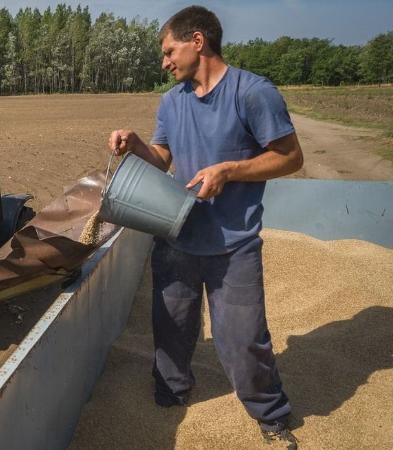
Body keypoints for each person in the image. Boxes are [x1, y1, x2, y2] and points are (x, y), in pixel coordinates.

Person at [107, 5, 303, 449]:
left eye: (168, 51)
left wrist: (229, 171)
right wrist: (134, 144)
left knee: (243, 337)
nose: (164, 62)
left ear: (198, 42)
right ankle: (171, 391)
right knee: (171, 326)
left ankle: (270, 415)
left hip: (234, 242)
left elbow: (291, 157)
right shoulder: (172, 101)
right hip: (176, 233)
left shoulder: (253, 93)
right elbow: (162, 159)